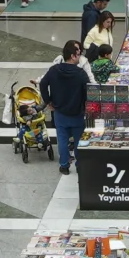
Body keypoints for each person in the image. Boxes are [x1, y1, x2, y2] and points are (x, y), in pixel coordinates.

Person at [41, 40, 92, 173]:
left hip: (60, 112)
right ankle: (80, 166)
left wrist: (48, 101)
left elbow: (42, 84)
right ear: (73, 56)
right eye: (79, 54)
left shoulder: (54, 70)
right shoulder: (80, 74)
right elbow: (88, 91)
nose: (80, 57)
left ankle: (64, 165)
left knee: (62, 140)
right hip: (77, 113)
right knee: (78, 141)